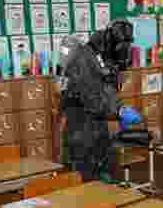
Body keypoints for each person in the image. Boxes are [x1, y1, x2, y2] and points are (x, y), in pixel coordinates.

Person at [59, 20, 143, 182]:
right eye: (121, 46)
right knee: (85, 178)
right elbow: (93, 99)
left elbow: (108, 89)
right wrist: (119, 111)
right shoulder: (84, 59)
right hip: (80, 125)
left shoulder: (105, 55)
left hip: (98, 123)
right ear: (111, 41)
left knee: (106, 166)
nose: (123, 51)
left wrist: (118, 108)